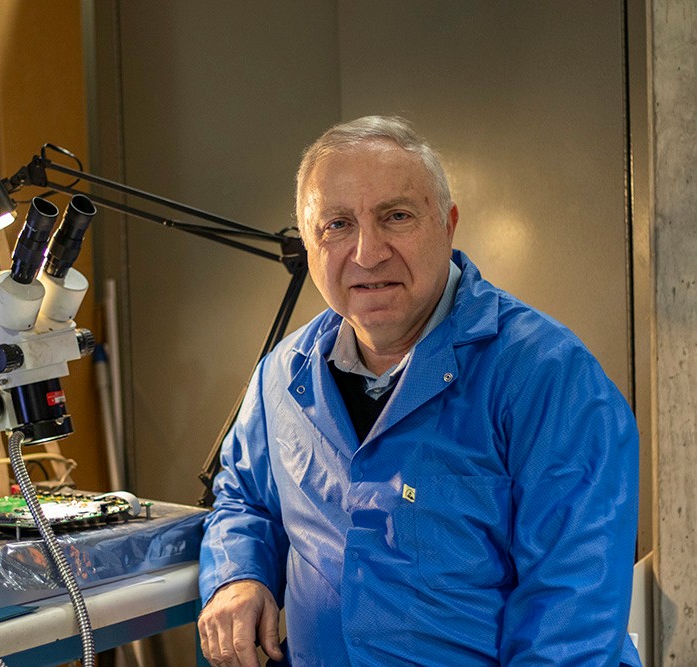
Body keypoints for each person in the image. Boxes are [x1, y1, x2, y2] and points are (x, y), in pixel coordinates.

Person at [197, 115, 641, 666]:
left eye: (396, 216)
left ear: (448, 223)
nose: (366, 253)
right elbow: (244, 498)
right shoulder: (281, 377)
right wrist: (238, 574)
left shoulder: (547, 377)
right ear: (309, 243)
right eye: (336, 224)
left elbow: (572, 613)